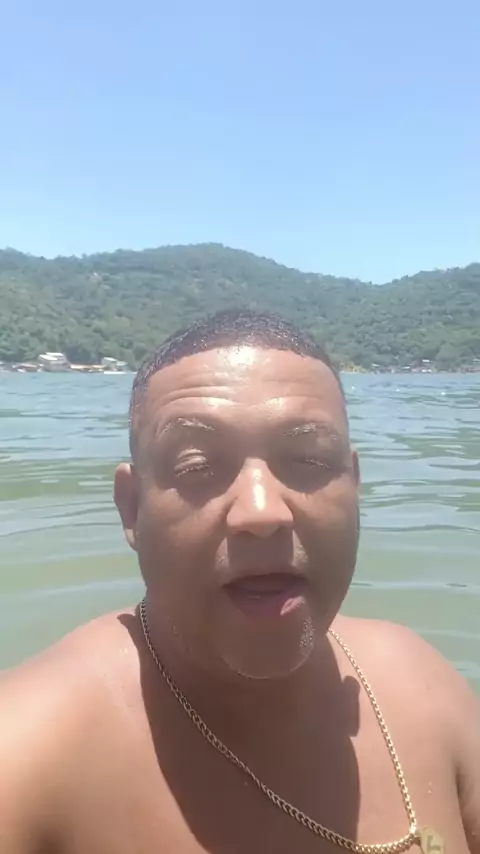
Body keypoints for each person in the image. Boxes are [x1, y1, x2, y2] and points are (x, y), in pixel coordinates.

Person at [0, 309, 478, 854]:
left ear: (355, 486)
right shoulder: (29, 754)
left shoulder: (423, 688)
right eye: (197, 466)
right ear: (131, 509)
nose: (262, 511)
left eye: (308, 460)